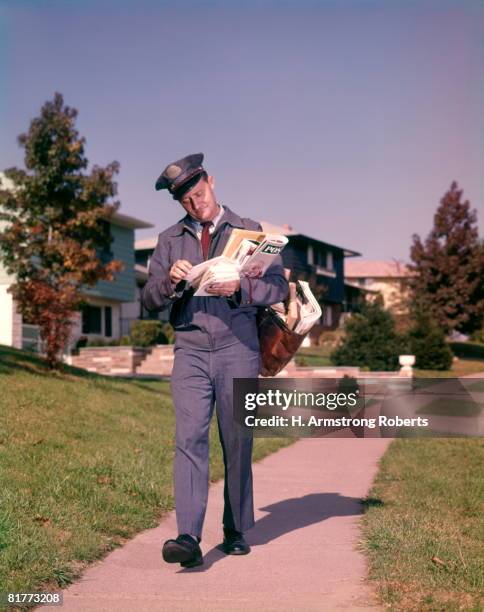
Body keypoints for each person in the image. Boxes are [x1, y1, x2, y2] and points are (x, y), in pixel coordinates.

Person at [142, 153, 288, 568]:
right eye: (186, 200)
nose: (196, 204)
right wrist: (169, 282)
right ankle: (188, 536)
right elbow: (148, 298)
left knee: (237, 440)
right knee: (189, 439)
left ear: (212, 182)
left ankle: (237, 527)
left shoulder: (250, 231)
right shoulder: (170, 240)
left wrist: (239, 285)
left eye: (199, 193)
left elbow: (277, 287)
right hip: (189, 348)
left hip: (237, 347)